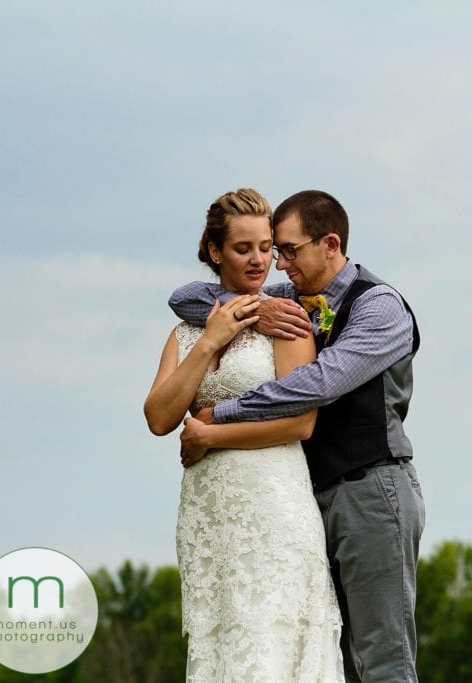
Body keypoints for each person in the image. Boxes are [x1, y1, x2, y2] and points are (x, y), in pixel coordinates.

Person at [169, 189, 424, 682]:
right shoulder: (292, 301)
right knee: (332, 659)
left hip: (371, 492)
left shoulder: (379, 307)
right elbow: (184, 297)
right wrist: (254, 311)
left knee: (382, 659)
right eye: (274, 250)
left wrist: (222, 413)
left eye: (288, 250)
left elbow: (318, 385)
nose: (278, 265)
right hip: (310, 499)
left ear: (330, 244)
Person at [144, 188, 344, 682]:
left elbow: (301, 422)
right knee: (220, 648)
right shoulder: (186, 332)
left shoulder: (289, 323)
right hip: (209, 516)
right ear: (215, 252)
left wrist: (212, 436)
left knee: (267, 646)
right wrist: (211, 338)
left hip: (274, 507)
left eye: (266, 248)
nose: (259, 261)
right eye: (243, 248)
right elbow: (159, 417)